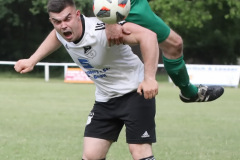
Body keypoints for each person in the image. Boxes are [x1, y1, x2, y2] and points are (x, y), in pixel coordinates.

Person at [14, 0, 160, 159]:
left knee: (139, 151)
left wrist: (149, 78)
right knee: (91, 155)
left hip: (135, 92)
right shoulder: (61, 33)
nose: (63, 26)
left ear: (77, 15)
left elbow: (149, 36)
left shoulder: (103, 29)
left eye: (67, 19)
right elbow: (56, 36)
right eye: (57, 21)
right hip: (106, 99)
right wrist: (32, 59)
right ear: (52, 22)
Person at [105, 0, 224, 103]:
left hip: (135, 3)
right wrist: (109, 20)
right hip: (118, 6)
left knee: (175, 44)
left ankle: (188, 92)